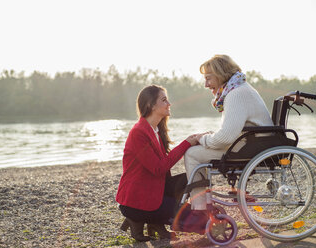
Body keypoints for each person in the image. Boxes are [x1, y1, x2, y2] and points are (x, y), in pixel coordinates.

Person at [179, 55, 273, 233]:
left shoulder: (236, 94)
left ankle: (199, 211)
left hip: (250, 148)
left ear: (221, 74)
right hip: (252, 144)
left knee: (192, 154)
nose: (206, 84)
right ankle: (204, 205)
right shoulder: (240, 89)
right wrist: (206, 138)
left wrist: (202, 139)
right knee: (200, 148)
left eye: (208, 78)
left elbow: (225, 138)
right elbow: (229, 133)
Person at [116, 85, 200, 241]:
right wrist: (186, 143)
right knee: (197, 222)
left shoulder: (154, 129)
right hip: (137, 200)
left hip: (154, 190)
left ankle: (156, 222)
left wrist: (196, 142)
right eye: (164, 100)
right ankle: (142, 218)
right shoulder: (138, 132)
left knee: (194, 178)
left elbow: (163, 171)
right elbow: (158, 168)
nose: (169, 103)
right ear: (151, 105)